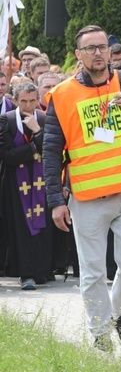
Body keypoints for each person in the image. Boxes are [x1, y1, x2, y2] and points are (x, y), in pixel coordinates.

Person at [43, 25, 121, 351]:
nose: (97, 52)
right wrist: (56, 200)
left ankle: (118, 315)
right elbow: (51, 152)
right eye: (89, 48)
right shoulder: (62, 95)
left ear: (109, 51)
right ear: (78, 55)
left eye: (102, 47)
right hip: (87, 197)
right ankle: (99, 335)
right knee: (93, 273)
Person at [0, 82, 52, 290]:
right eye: (23, 101)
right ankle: (25, 272)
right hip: (15, 185)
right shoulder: (7, 120)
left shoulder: (45, 119)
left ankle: (40, 271)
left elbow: (51, 150)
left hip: (41, 182)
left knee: (42, 226)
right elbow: (8, 156)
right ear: (15, 101)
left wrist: (38, 132)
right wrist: (34, 145)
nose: (29, 106)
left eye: (32, 101)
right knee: (21, 228)